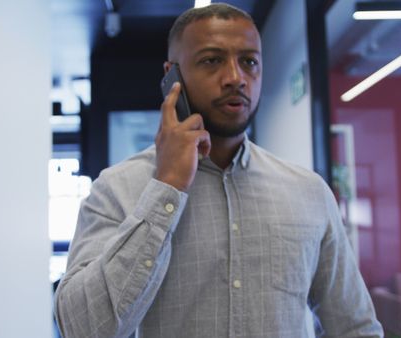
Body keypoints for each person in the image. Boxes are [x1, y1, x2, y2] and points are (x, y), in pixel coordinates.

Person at [54, 3, 383, 337]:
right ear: (173, 77)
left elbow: (356, 327)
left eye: (249, 62)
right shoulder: (118, 188)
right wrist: (167, 188)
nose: (235, 78)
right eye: (211, 61)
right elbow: (83, 329)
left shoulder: (309, 192)